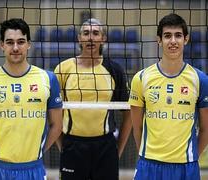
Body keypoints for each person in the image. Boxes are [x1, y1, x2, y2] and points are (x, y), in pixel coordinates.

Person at [0, 18, 63, 180]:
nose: (15, 47)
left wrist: (37, 151)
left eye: (21, 42)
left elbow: (57, 125)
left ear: (29, 44)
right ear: (2, 45)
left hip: (33, 168)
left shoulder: (48, 79)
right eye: (10, 42)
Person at [128, 13, 208, 180]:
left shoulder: (200, 80)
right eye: (167, 36)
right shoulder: (141, 78)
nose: (173, 41)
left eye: (178, 35)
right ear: (159, 40)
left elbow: (206, 129)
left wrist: (191, 158)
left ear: (186, 39)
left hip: (187, 167)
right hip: (149, 165)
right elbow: (137, 128)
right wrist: (148, 154)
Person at [54, 18, 132, 180]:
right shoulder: (63, 69)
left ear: (103, 38)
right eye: (86, 33)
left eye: (96, 33)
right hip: (72, 145)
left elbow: (128, 113)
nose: (90, 37)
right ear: (79, 38)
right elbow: (53, 113)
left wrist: (117, 150)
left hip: (106, 146)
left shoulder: (114, 70)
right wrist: (64, 147)